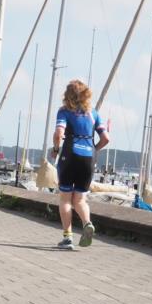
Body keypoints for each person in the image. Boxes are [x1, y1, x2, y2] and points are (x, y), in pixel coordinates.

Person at [51, 79, 109, 250]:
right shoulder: (94, 114)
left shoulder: (64, 112)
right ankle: (87, 223)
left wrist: (56, 148)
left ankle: (67, 237)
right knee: (80, 199)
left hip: (69, 156)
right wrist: (94, 150)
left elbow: (58, 132)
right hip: (88, 158)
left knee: (65, 198)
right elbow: (106, 138)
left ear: (67, 95)